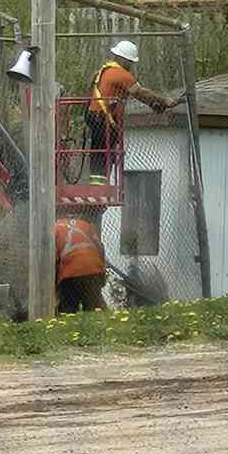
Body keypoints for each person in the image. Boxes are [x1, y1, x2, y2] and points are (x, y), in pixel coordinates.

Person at [86, 40, 177, 185]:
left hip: (96, 117)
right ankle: (99, 187)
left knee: (100, 151)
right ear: (123, 59)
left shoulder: (106, 71)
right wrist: (164, 100)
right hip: (102, 118)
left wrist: (153, 104)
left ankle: (98, 184)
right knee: (104, 152)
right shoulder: (120, 74)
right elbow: (140, 92)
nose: (131, 65)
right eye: (130, 62)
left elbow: (139, 96)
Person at [55, 217, 107, 312]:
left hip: (70, 272)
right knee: (95, 309)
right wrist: (103, 272)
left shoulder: (54, 228)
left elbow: (53, 257)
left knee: (68, 309)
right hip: (94, 268)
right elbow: (100, 248)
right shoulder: (86, 224)